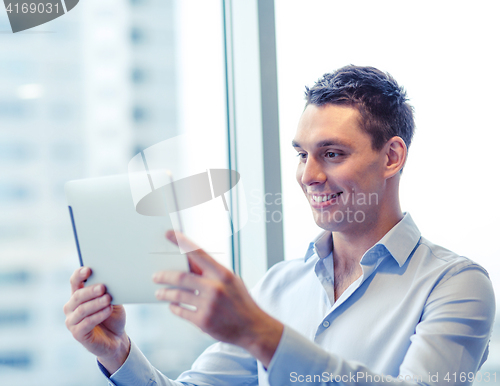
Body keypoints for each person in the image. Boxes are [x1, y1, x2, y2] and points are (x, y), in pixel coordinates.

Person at [64, 65, 495, 385]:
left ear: (392, 157)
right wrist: (118, 352)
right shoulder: (280, 286)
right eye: (301, 154)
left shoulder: (456, 285)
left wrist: (261, 334)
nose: (308, 175)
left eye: (332, 153)